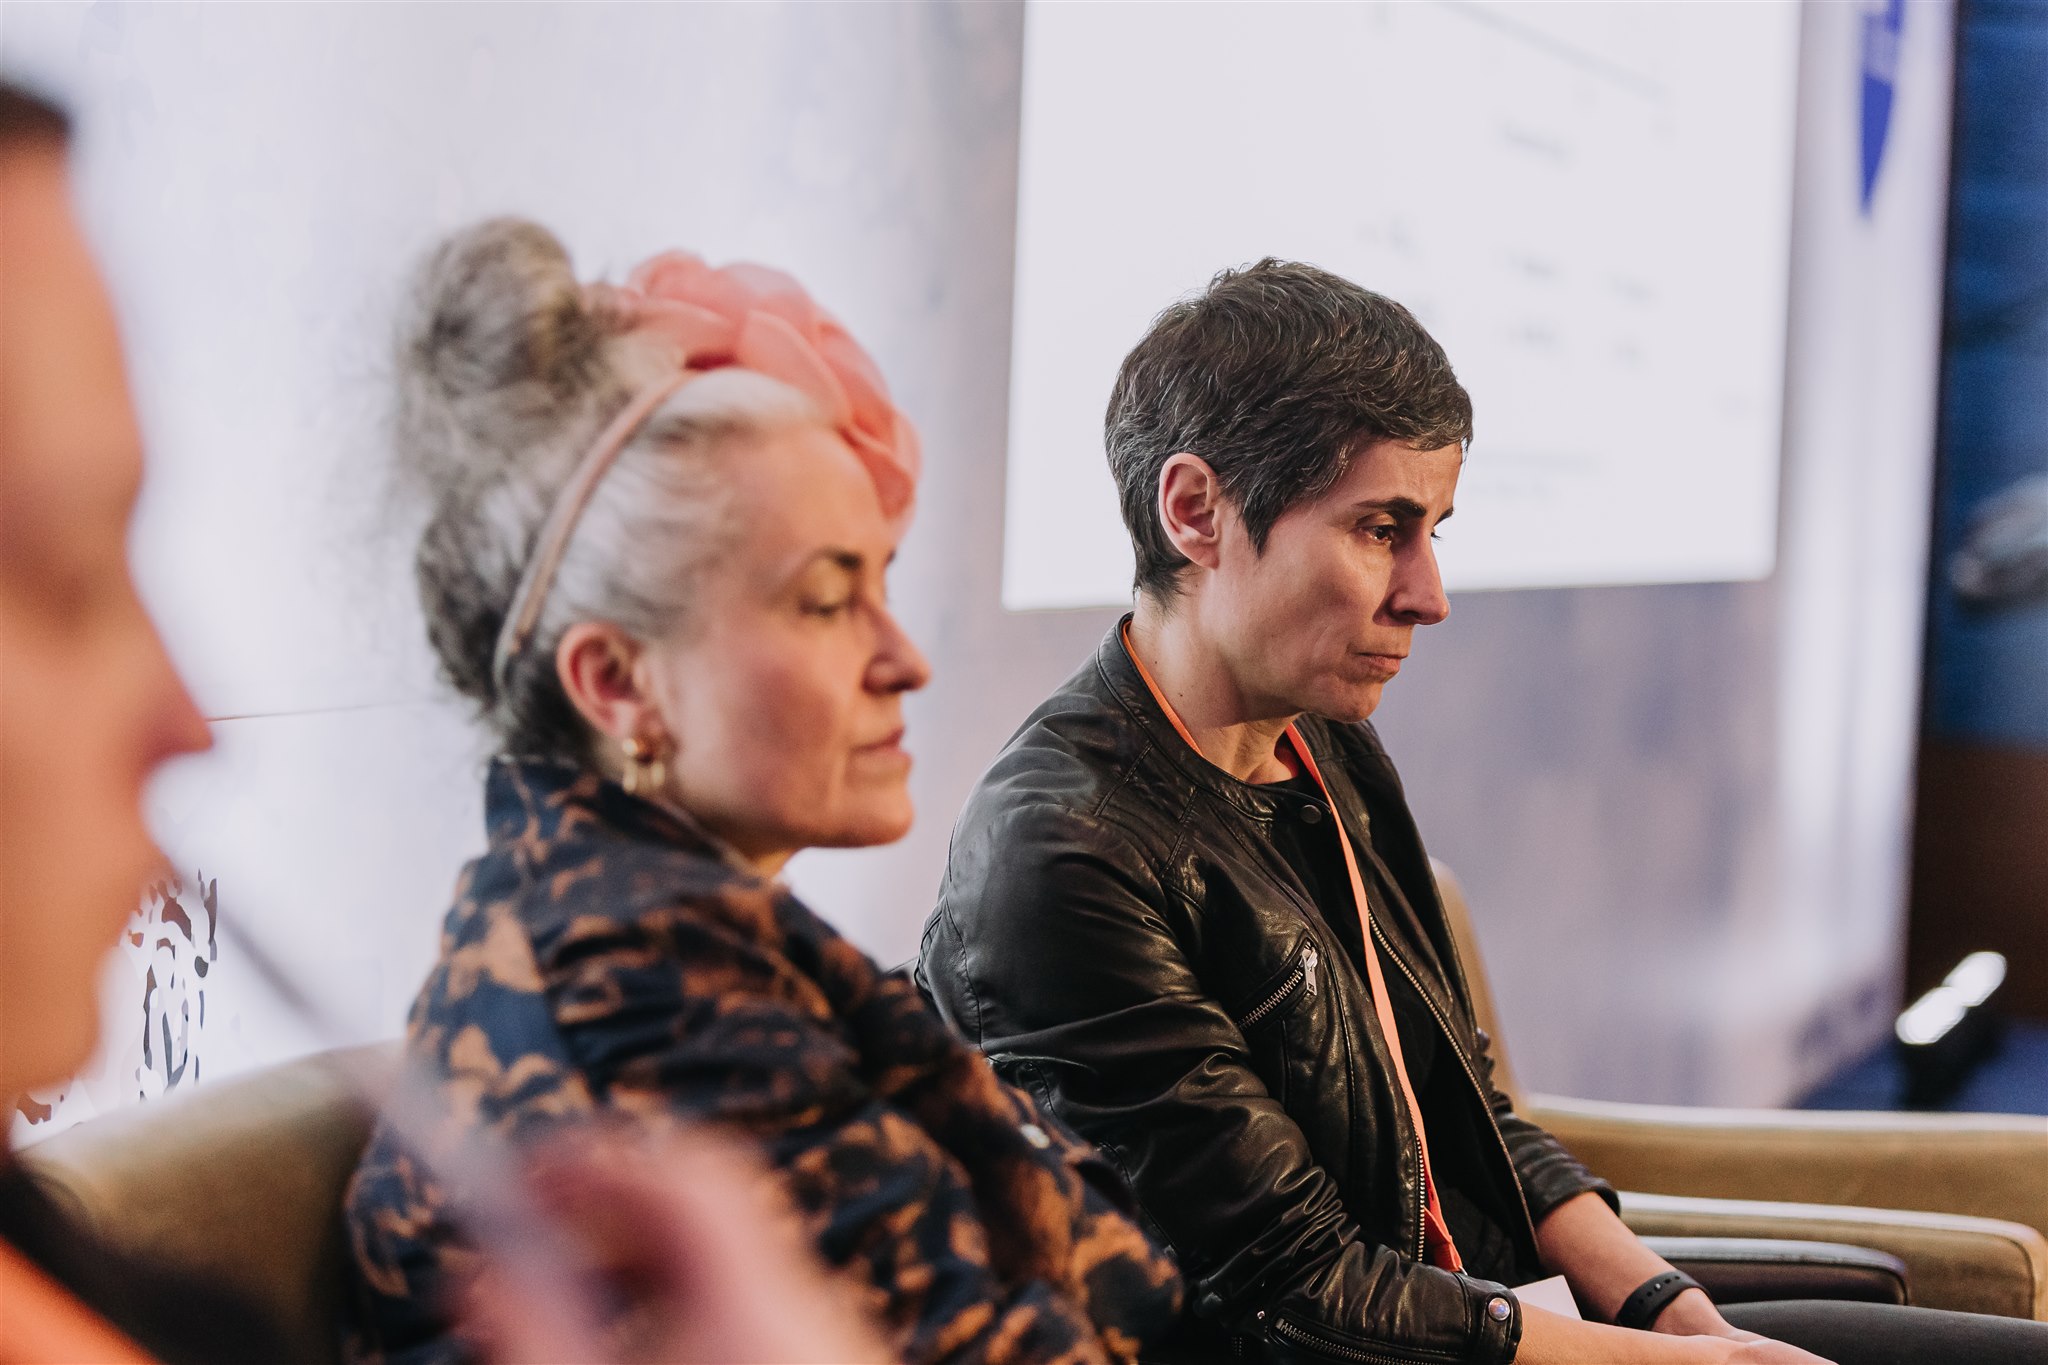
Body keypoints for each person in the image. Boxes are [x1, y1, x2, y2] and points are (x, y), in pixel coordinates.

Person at [919, 260, 2048, 1365]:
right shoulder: (1061, 848)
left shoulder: (1321, 740)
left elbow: (1470, 1111)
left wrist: (1667, 1307)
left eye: (1432, 532)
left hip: (1480, 1315)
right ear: (1195, 511)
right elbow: (1297, 1294)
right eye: (1380, 529)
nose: (1428, 595)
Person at [0, 78, 891, 1365]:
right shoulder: (622, 1037)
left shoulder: (143, 1313)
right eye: (72, 578)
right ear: (613, 680)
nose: (192, 723)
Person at [341, 220, 1184, 1365]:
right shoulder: (633, 988)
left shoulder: (644, 928)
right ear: (617, 683)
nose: (904, 660)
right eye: (826, 601)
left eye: (882, 587)